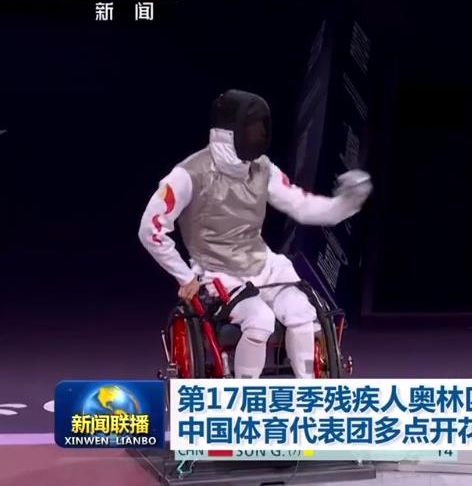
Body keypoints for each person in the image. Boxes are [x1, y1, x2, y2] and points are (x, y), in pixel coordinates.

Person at [138, 89, 372, 378]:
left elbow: (302, 205)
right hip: (218, 274)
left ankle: (311, 392)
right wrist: (184, 276)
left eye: (262, 126)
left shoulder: (263, 169)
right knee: (259, 320)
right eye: (252, 127)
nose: (260, 133)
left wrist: (346, 204)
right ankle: (244, 394)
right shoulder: (188, 174)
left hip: (265, 266)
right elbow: (150, 229)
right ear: (228, 132)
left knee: (302, 312)